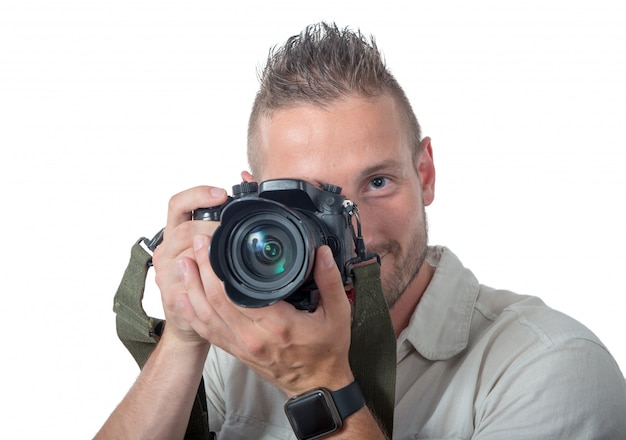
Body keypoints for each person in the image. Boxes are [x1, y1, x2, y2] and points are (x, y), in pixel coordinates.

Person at [96, 22, 626, 439]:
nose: (356, 228)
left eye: (376, 182)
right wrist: (187, 336)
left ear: (425, 174)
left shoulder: (548, 365)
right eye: (310, 199)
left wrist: (318, 384)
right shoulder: (238, 346)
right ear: (253, 204)